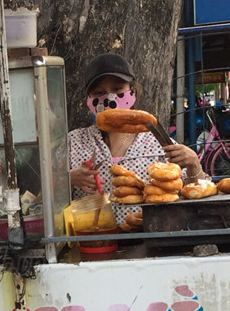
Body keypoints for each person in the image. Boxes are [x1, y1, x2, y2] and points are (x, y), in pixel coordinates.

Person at [68, 53, 201, 218]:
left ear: (133, 91)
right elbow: (44, 198)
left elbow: (192, 194)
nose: (110, 98)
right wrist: (67, 180)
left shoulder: (157, 142)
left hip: (148, 231)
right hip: (91, 232)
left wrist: (194, 164)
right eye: (99, 92)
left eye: (117, 89)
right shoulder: (74, 142)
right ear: (88, 99)